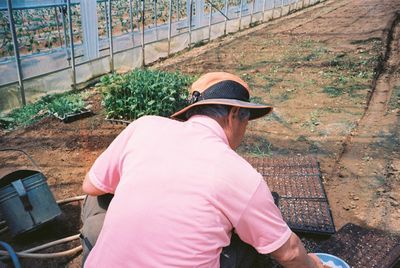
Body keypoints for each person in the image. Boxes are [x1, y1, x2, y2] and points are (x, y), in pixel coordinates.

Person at [80, 72, 325, 267]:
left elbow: (91, 185)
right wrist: (315, 265)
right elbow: (289, 252)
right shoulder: (239, 173)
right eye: (246, 119)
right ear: (235, 114)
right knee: (252, 240)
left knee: (98, 197)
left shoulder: (144, 127)